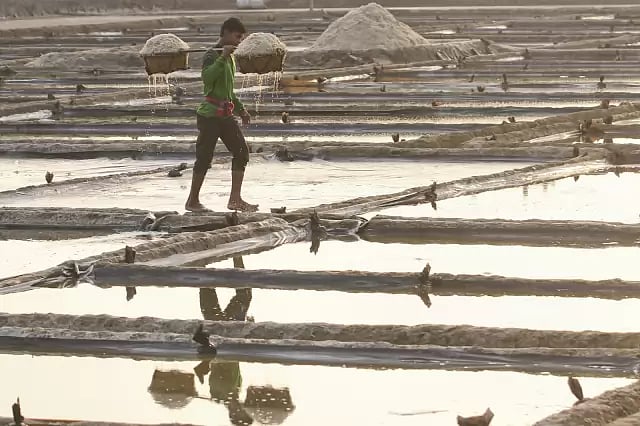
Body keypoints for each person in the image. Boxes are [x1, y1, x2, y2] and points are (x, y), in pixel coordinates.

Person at [185, 17, 258, 213]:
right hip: (209, 116)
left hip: (225, 115)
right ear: (225, 33)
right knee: (204, 158)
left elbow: (229, 91)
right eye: (236, 37)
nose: (238, 42)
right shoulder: (211, 55)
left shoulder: (230, 58)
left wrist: (241, 109)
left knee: (242, 152)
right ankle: (192, 201)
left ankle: (235, 200)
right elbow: (207, 79)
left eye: (241, 39)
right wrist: (222, 57)